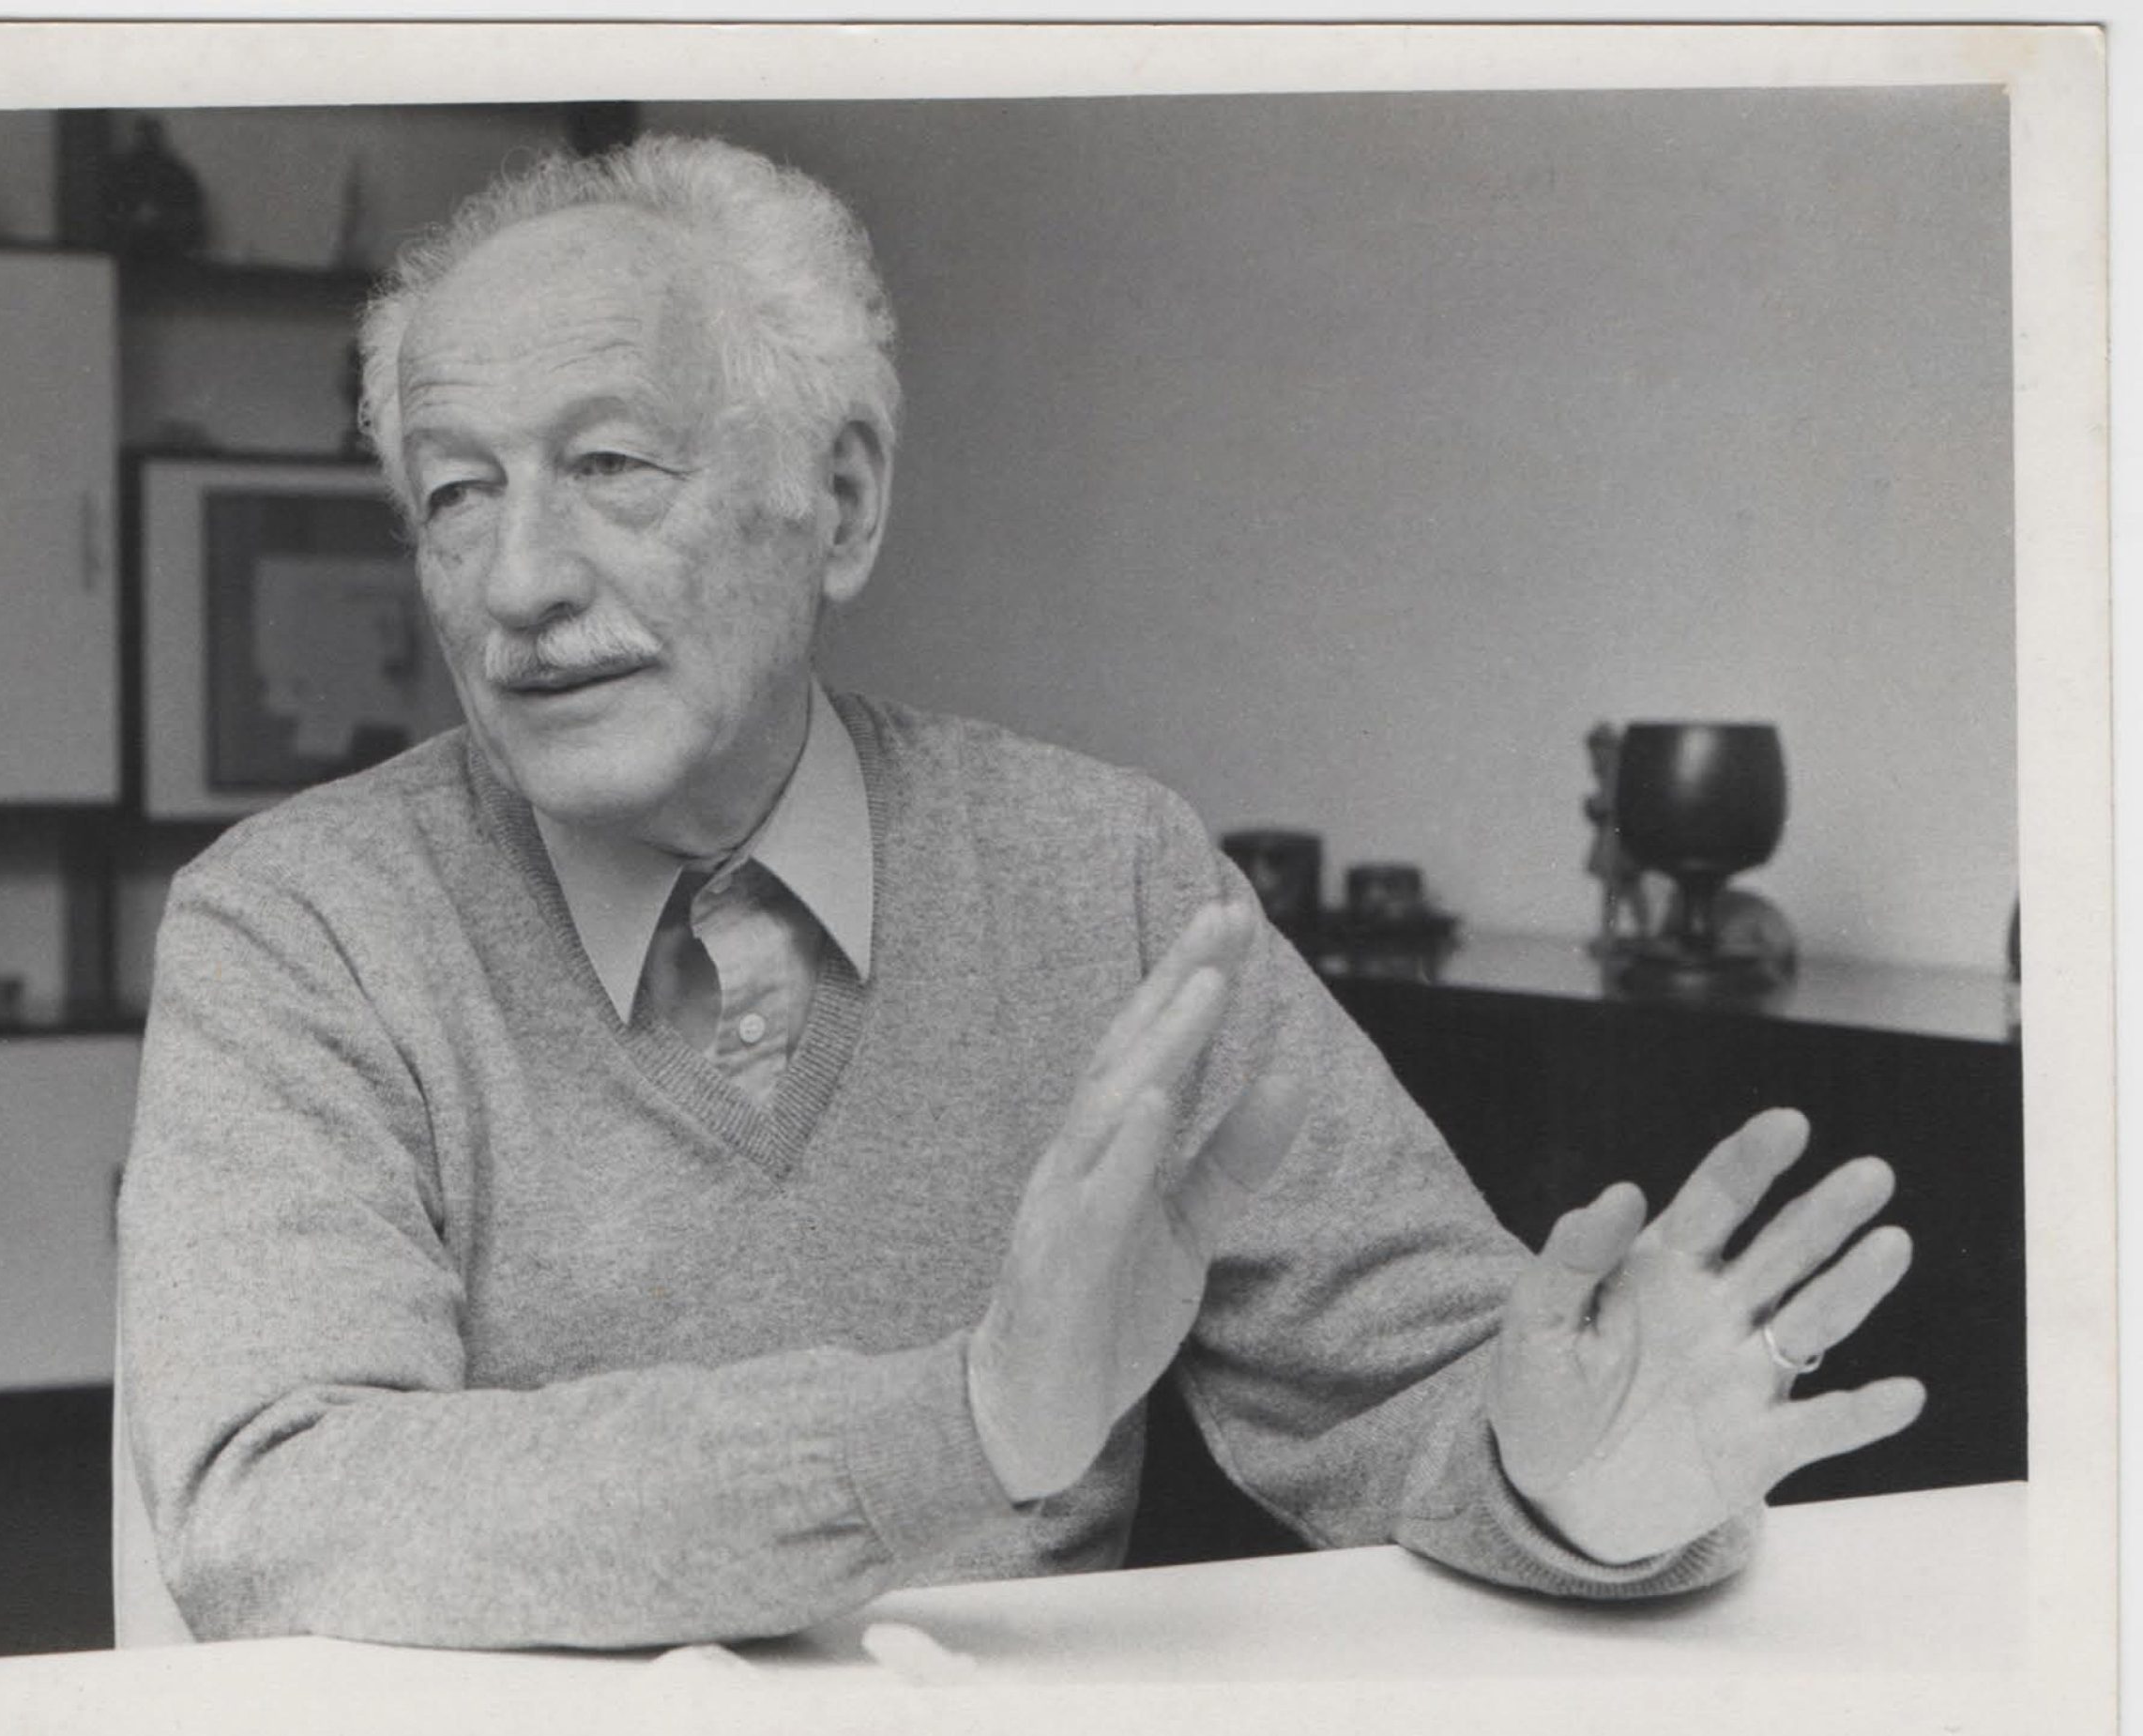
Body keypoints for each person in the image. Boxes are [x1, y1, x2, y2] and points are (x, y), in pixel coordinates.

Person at [117, 133, 1923, 1649]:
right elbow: (275, 1507)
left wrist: (1566, 1484)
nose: (518, 581)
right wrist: (965, 1423)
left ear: (840, 502)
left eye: (608, 467)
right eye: (455, 494)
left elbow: (1422, 1382)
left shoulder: (1101, 872)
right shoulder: (298, 926)